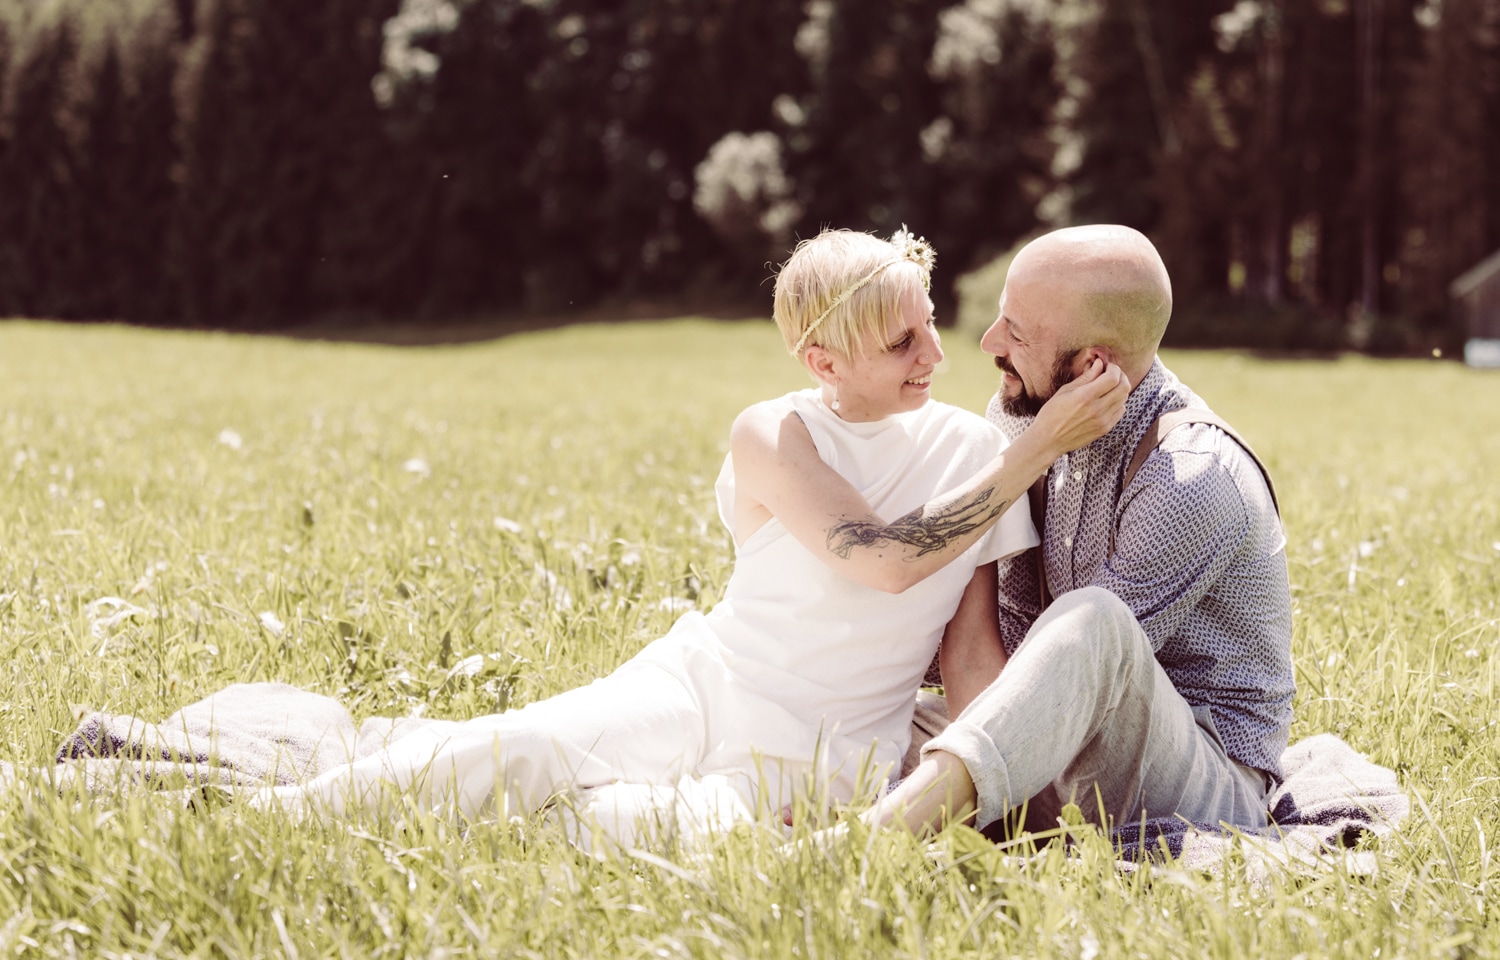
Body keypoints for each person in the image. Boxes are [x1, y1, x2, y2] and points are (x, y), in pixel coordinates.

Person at [249, 227, 1129, 848]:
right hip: (706, 682)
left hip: (822, 760)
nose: (935, 355)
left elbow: (970, 652)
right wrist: (1040, 445)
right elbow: (884, 559)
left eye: (931, 320)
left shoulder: (976, 451)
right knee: (514, 748)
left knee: (660, 838)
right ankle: (261, 819)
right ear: (822, 362)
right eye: (902, 341)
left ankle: (577, 817)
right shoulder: (773, 433)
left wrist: (1013, 813)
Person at [869, 224, 1295, 841]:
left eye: (1014, 333)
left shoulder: (1194, 475)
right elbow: (1005, 639)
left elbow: (1085, 669)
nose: (989, 343)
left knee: (1093, 617)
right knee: (856, 721)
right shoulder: (1026, 419)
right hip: (1043, 743)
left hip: (1197, 786)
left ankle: (873, 841)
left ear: (1094, 365)